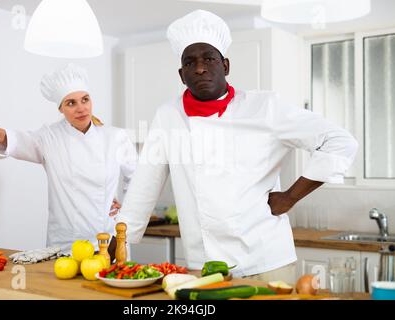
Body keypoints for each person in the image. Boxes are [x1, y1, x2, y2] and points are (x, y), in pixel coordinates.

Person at [116, 10, 358, 282]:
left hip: (267, 260)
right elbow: (144, 186)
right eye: (190, 62)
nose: (199, 68)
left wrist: (289, 197)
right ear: (181, 74)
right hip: (205, 263)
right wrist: (116, 243)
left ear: (226, 65)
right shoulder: (168, 116)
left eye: (208, 58)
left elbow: (339, 141)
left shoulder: (264, 108)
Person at [0, 63, 137, 254]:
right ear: (61, 108)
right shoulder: (49, 137)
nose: (81, 108)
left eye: (85, 100)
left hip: (108, 242)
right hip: (65, 244)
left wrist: (126, 206)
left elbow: (138, 178)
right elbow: (19, 140)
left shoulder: (115, 137)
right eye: (71, 103)